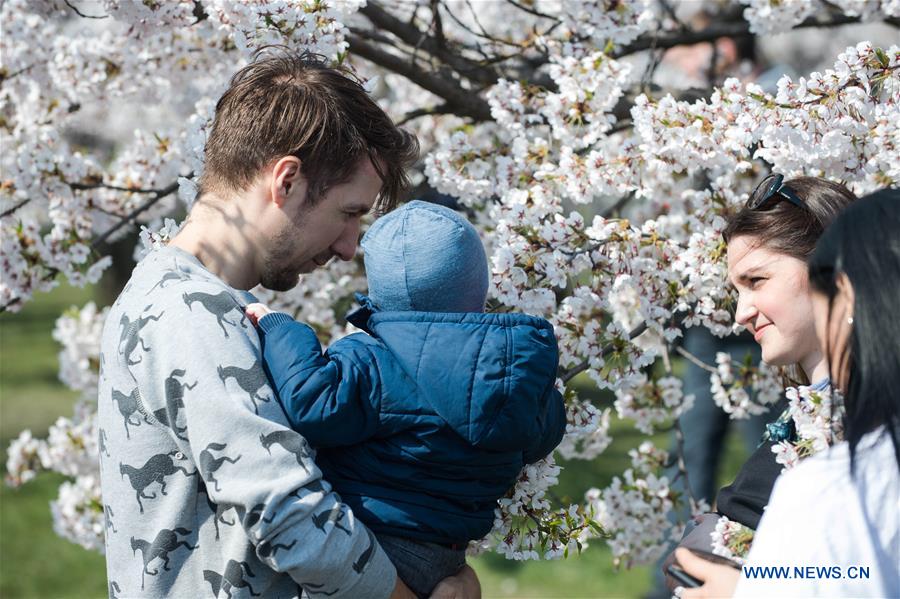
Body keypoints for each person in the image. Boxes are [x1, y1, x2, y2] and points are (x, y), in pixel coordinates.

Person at [97, 49, 479, 598]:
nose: (352, 249)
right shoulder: (189, 315)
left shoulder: (207, 301)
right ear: (288, 181)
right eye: (349, 213)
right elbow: (289, 515)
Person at [243, 200, 567, 598]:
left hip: (374, 544)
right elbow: (545, 432)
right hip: (444, 560)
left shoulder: (371, 361)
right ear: (477, 286)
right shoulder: (515, 376)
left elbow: (313, 404)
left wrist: (283, 329)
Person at [676, 188, 900, 598]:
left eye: (756, 281)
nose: (741, 312)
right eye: (736, 291)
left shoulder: (864, 452)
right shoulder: (807, 422)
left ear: (835, 279)